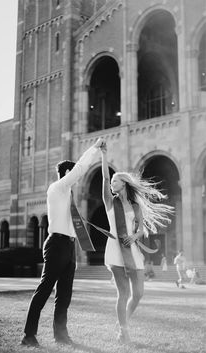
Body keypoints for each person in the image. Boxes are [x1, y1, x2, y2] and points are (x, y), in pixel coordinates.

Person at [21, 137, 104, 347]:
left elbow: (74, 223)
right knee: (44, 291)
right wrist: (95, 147)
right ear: (67, 174)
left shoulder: (67, 197)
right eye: (73, 173)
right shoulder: (56, 188)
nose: (76, 177)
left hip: (69, 245)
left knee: (64, 295)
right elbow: (82, 168)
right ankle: (28, 335)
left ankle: (61, 335)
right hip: (56, 245)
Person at [100, 142, 174, 346]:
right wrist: (104, 155)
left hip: (132, 250)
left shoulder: (134, 206)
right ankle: (124, 332)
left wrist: (135, 236)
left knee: (139, 293)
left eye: (115, 181)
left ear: (123, 184)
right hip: (115, 250)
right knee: (123, 293)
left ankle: (122, 322)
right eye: (112, 181)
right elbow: (105, 177)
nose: (112, 184)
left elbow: (141, 229)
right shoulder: (109, 201)